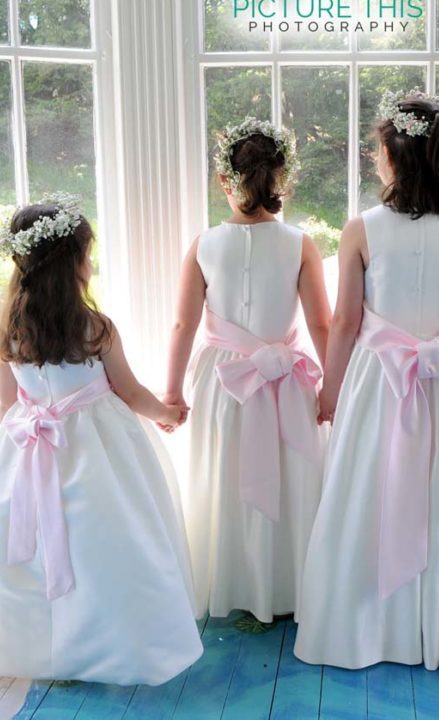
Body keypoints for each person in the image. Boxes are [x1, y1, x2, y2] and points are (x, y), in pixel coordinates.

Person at [0, 194, 203, 686]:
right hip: (96, 456)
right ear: (74, 264)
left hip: (29, 448)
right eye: (88, 253)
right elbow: (129, 392)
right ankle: (108, 646)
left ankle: (30, 648)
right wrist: (168, 413)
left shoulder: (10, 332)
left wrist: (18, 454)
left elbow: (7, 406)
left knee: (36, 550)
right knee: (104, 546)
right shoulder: (94, 328)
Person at [295, 90, 439, 669]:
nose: (375, 158)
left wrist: (330, 390)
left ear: (395, 156)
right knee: (432, 496)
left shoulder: (362, 229)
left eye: (378, 149)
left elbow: (345, 322)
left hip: (379, 383)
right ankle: (426, 630)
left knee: (368, 491)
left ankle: (362, 629)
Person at [164, 118, 331, 622]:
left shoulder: (204, 244)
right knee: (290, 474)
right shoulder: (300, 243)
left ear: (223, 179)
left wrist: (172, 393)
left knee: (225, 474)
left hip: (223, 379)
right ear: (283, 180)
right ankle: (289, 586)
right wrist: (334, 387)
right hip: (285, 377)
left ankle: (231, 582)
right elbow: (321, 323)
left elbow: (183, 324)